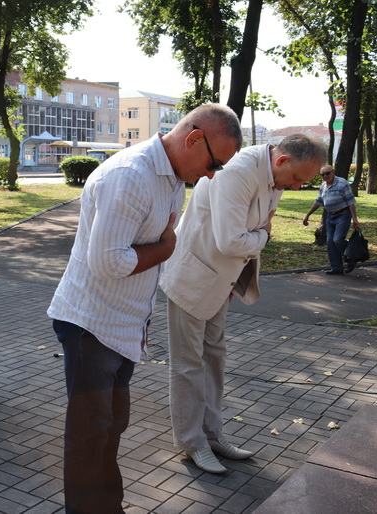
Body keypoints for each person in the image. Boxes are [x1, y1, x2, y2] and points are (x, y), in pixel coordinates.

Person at [48, 103, 243, 513]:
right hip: (91, 325)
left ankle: (106, 506)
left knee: (111, 425)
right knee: (91, 431)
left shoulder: (172, 179)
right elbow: (109, 261)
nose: (211, 175)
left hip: (120, 325)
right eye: (214, 164)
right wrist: (165, 249)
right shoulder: (131, 176)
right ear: (193, 139)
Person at [160, 134, 327, 474]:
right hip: (193, 280)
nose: (296, 187)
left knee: (214, 360)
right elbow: (232, 240)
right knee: (189, 364)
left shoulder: (275, 175)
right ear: (281, 161)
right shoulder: (238, 172)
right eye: (297, 179)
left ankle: (212, 434)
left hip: (222, 281)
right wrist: (265, 235)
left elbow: (248, 233)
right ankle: (192, 443)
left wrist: (249, 253)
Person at [303, 164, 361, 275]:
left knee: (337, 240)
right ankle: (336, 268)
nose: (325, 176)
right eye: (322, 174)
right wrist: (307, 215)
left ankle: (352, 256)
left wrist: (355, 219)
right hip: (330, 216)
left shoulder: (342, 183)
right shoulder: (323, 186)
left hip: (343, 215)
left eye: (327, 173)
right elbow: (318, 202)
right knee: (330, 242)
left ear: (333, 172)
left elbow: (351, 202)